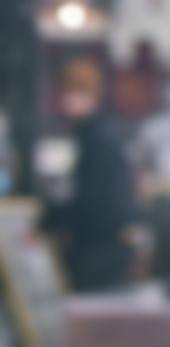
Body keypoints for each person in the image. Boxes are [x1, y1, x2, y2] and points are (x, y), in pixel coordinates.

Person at [41, 58, 137, 291]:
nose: (63, 100)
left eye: (70, 92)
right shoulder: (100, 132)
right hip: (106, 245)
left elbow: (91, 198)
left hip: (97, 248)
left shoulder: (96, 137)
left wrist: (50, 221)